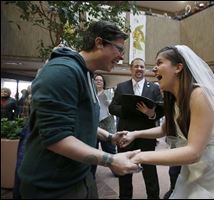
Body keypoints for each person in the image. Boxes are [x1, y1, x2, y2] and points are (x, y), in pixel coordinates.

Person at [119, 45, 214, 199]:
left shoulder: (199, 95)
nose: (154, 69)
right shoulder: (174, 98)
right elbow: (164, 129)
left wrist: (138, 157)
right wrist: (134, 134)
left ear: (178, 68)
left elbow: (194, 152)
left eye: (159, 63)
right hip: (193, 168)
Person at [18, 20, 140, 199]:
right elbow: (56, 138)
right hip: (51, 185)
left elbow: (80, 121)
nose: (122, 57)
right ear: (99, 43)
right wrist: (110, 159)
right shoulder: (63, 71)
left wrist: (109, 137)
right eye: (119, 49)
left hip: (80, 175)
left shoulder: (87, 74)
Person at [109, 58, 164, 199]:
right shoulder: (121, 87)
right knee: (124, 172)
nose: (139, 69)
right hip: (125, 135)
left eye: (142, 66)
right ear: (130, 69)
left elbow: (161, 110)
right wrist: (128, 111)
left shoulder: (154, 88)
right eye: (136, 66)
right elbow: (112, 107)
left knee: (150, 171)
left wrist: (151, 114)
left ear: (144, 69)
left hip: (147, 136)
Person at [91, 73, 117, 178]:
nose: (98, 81)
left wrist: (110, 102)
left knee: (110, 150)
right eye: (96, 80)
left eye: (101, 80)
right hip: (93, 127)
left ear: (103, 83)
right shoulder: (90, 93)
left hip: (107, 126)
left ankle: (116, 170)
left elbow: (113, 107)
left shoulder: (108, 93)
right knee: (92, 151)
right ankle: (91, 173)